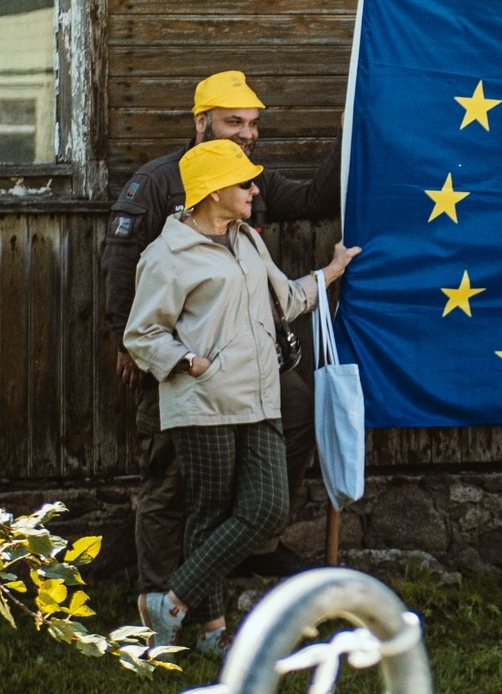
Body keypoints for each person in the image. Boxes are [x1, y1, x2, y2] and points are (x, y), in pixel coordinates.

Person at [102, 71, 340, 612]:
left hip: (252, 359)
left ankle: (252, 546)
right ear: (201, 122)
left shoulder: (254, 180)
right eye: (234, 122)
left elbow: (314, 199)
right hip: (185, 363)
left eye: (253, 124)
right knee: (171, 477)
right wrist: (128, 343)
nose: (246, 134)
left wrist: (351, 129)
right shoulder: (158, 182)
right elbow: (122, 265)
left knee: (297, 410)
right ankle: (159, 593)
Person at [125, 138, 360, 653]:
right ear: (212, 193)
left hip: (258, 398)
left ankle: (171, 601)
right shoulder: (166, 256)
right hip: (203, 403)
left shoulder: (248, 241)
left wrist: (333, 272)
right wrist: (189, 362)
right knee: (208, 514)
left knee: (267, 507)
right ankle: (211, 634)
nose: (256, 189)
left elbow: (287, 299)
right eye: (245, 182)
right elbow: (142, 334)